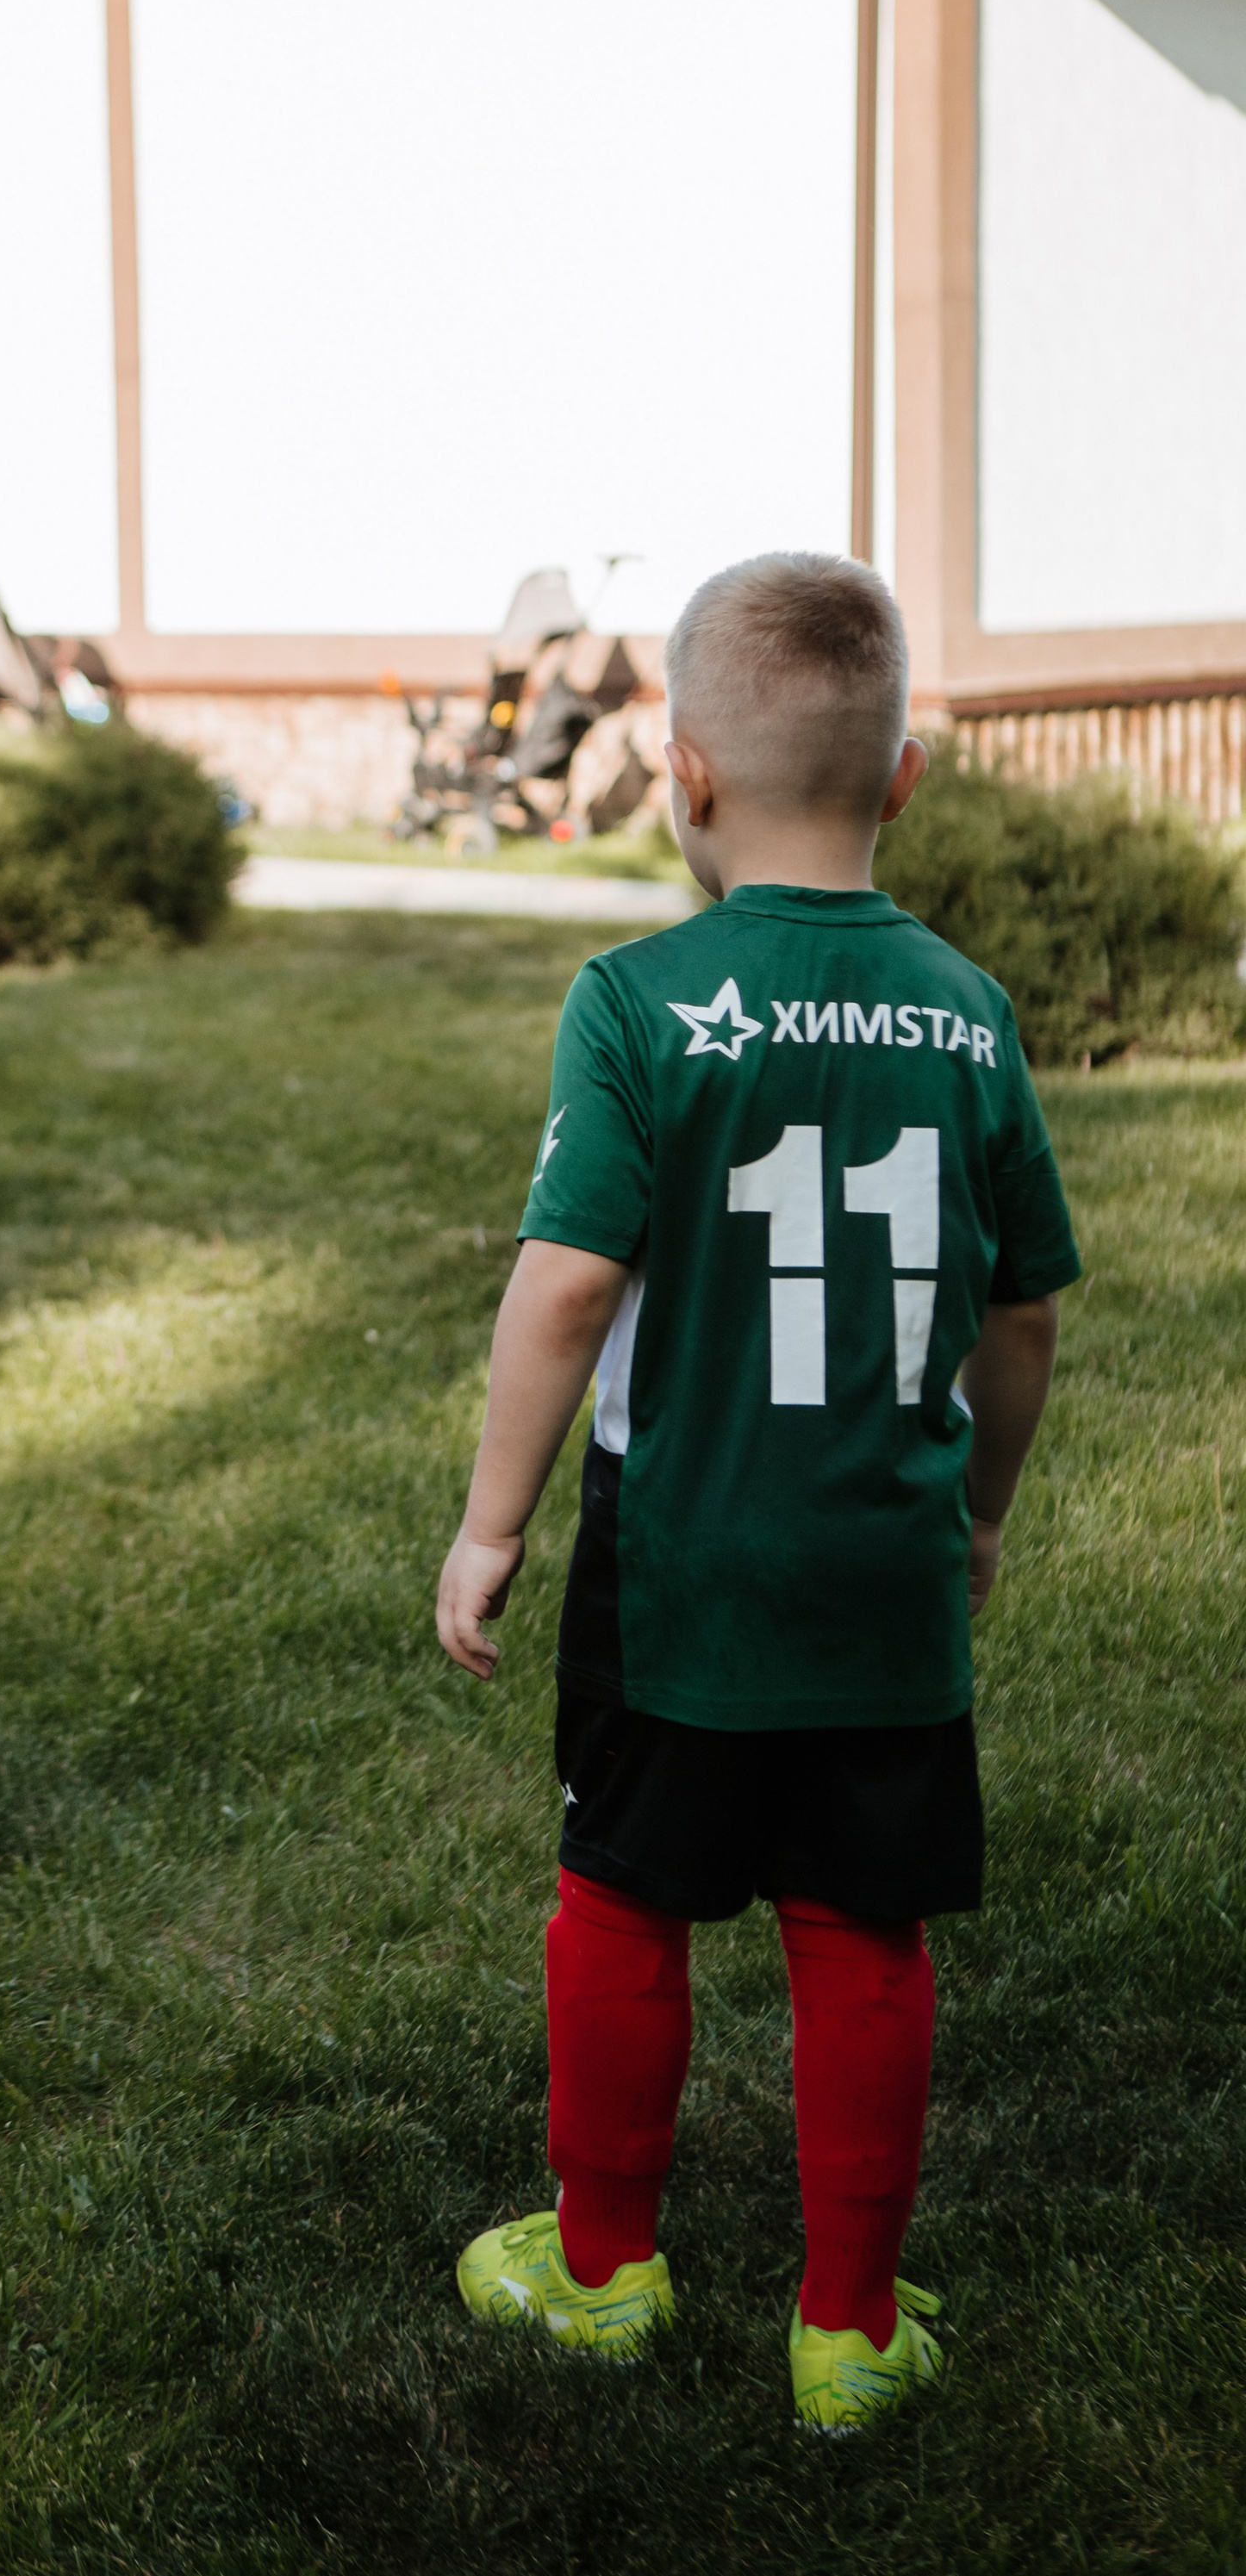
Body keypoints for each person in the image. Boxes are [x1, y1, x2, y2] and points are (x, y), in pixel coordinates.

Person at [435, 551, 1079, 2430]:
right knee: (859, 1930)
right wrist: (978, 1512)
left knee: (622, 1906)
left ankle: (604, 2263)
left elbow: (562, 1287)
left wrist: (492, 1523)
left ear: (681, 773)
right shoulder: (964, 1010)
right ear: (898, 780)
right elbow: (1022, 1311)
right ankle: (848, 2327)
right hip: (878, 1566)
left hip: (678, 1566)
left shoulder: (636, 1001)